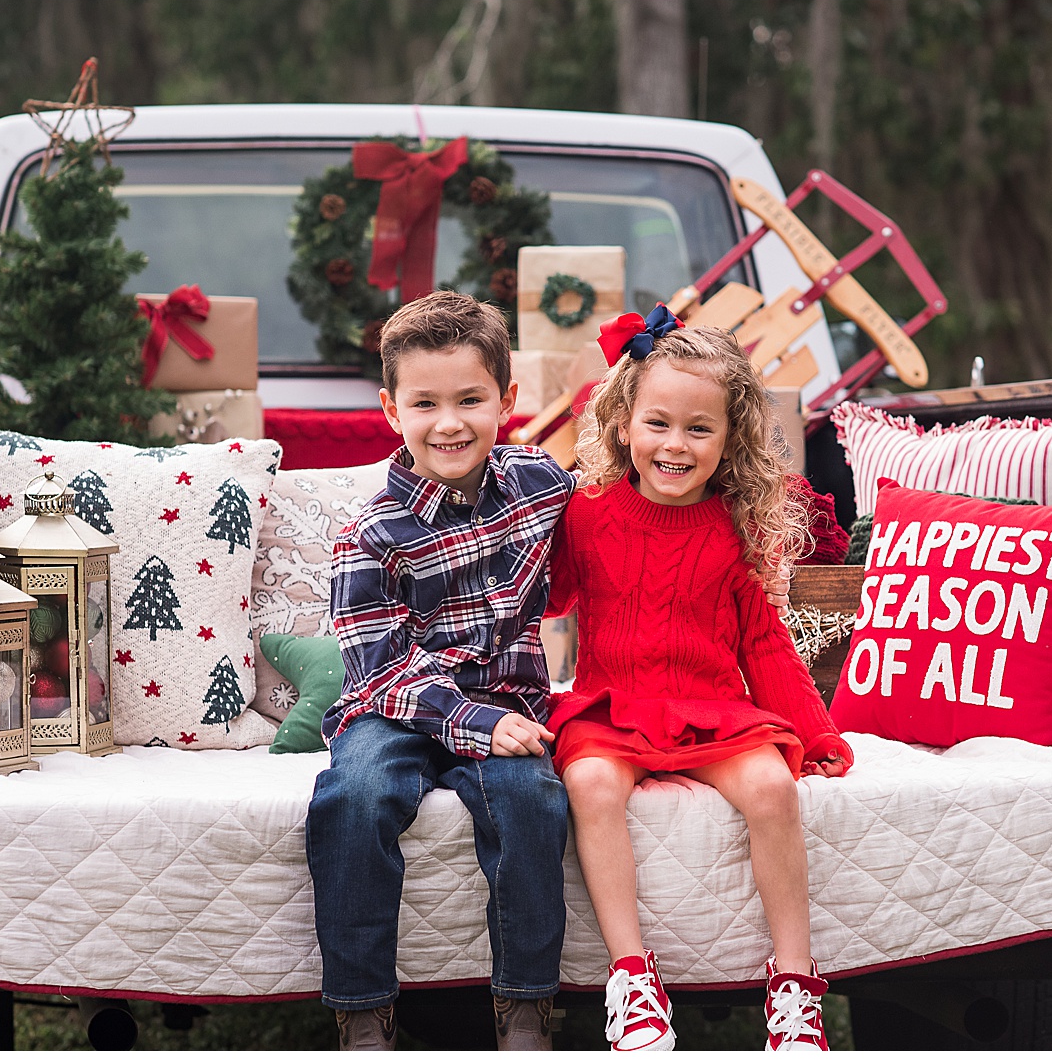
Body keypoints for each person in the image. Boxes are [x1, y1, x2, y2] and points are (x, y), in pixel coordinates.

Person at [546, 308, 853, 1052]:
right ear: (623, 424)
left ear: (729, 440)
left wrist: (816, 732)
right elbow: (545, 599)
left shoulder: (732, 526)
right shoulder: (584, 514)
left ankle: (794, 985)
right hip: (612, 708)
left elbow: (766, 645)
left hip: (711, 707)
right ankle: (633, 980)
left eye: (698, 429)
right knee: (589, 786)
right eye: (657, 423)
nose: (674, 445)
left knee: (773, 789)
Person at [307, 291, 575, 1051]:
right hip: (392, 708)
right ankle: (363, 1009)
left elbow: (620, 511)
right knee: (354, 794)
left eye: (470, 399)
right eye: (426, 403)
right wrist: (481, 725)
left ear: (507, 400)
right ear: (392, 409)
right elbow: (382, 666)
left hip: (506, 698)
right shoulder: (369, 533)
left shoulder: (541, 487)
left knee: (532, 799)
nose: (449, 421)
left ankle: (526, 1004)